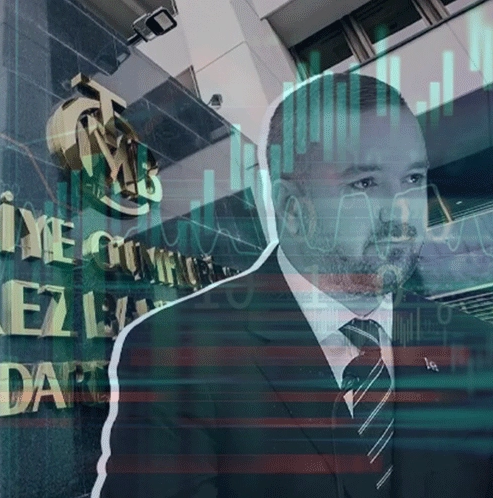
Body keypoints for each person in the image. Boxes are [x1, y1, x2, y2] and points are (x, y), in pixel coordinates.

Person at [91, 73, 493, 498]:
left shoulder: (475, 346)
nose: (402, 213)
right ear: (291, 206)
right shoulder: (178, 354)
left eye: (412, 179)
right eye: (364, 183)